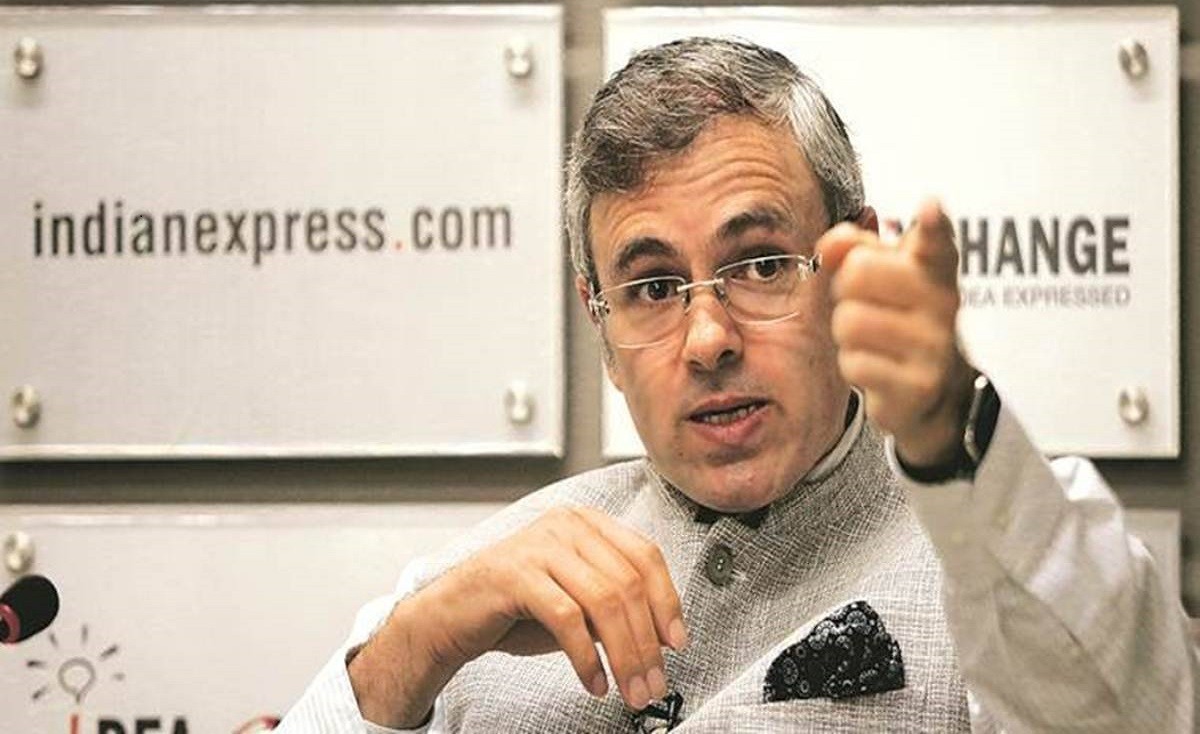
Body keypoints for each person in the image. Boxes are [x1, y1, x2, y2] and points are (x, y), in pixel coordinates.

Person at [277, 37, 1196, 732]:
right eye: (653, 287)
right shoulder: (473, 589)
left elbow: (1129, 712)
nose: (709, 338)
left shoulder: (1001, 550)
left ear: (852, 262)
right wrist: (413, 648)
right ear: (601, 326)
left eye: (759, 265)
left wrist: (951, 429)